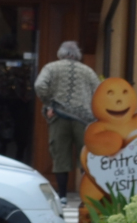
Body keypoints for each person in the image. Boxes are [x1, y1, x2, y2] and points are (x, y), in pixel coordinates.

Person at [34, 41, 99, 200]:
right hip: (84, 120)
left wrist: (50, 103)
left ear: (60, 53)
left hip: (59, 117)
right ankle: (87, 197)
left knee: (60, 157)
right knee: (86, 158)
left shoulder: (51, 68)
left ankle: (62, 196)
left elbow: (39, 85)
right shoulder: (88, 71)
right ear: (77, 55)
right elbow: (99, 91)